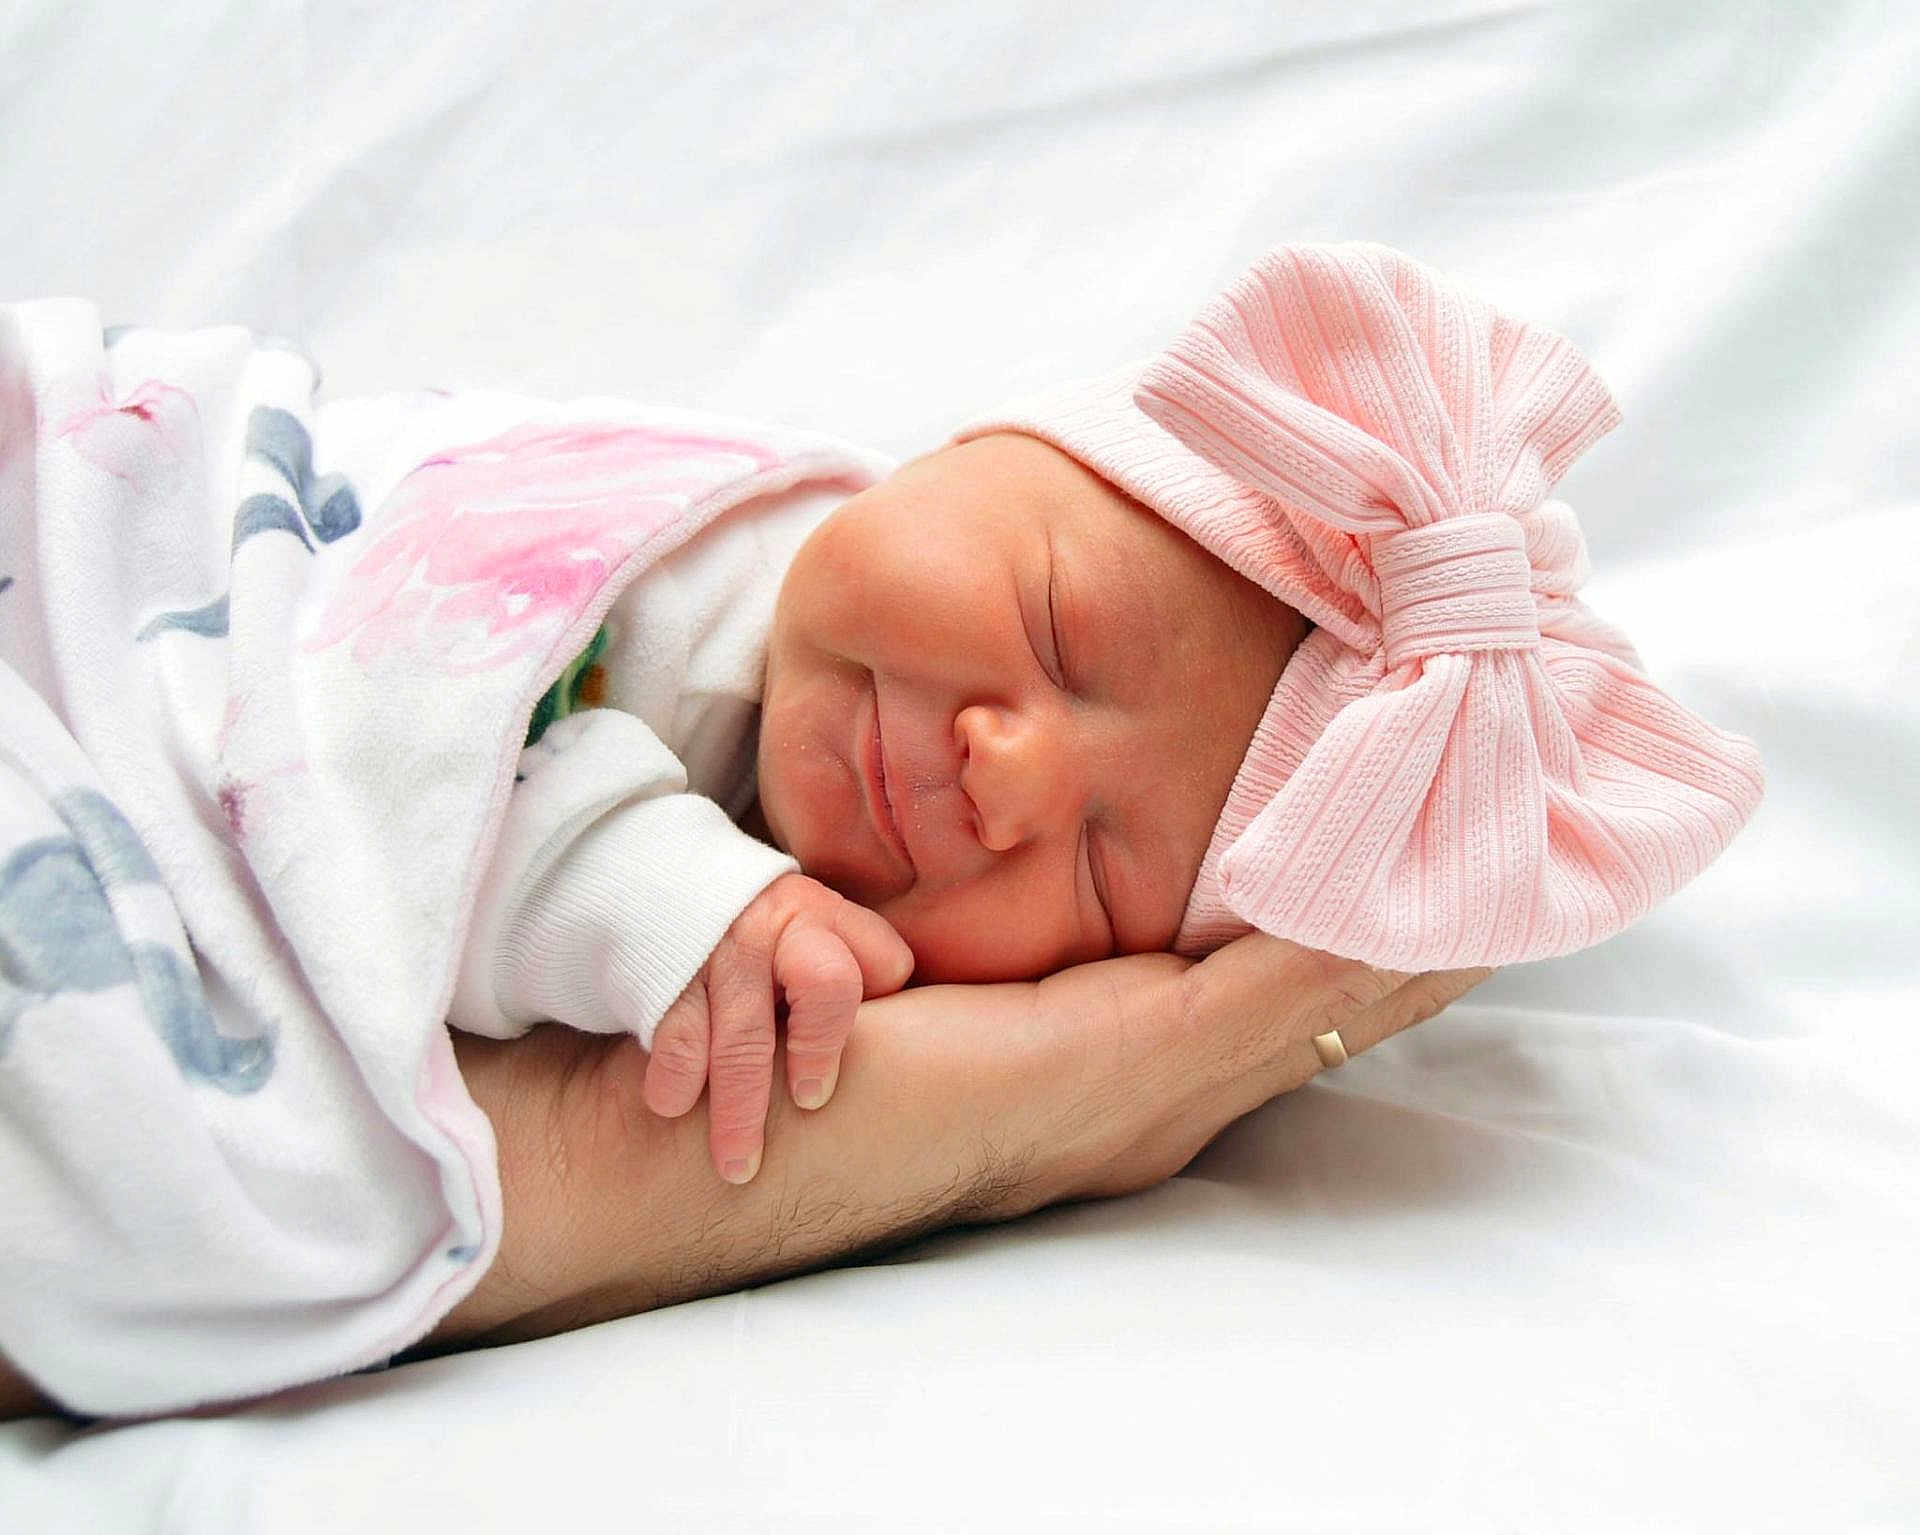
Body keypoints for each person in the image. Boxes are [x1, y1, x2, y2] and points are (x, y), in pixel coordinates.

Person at [0, 241, 1761, 1418]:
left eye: (1095, 871)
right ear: (973, 451)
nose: (1008, 776)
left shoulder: (835, 945)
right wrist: (648, 891)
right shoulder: (686, 550)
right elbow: (409, 677)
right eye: (1065, 635)